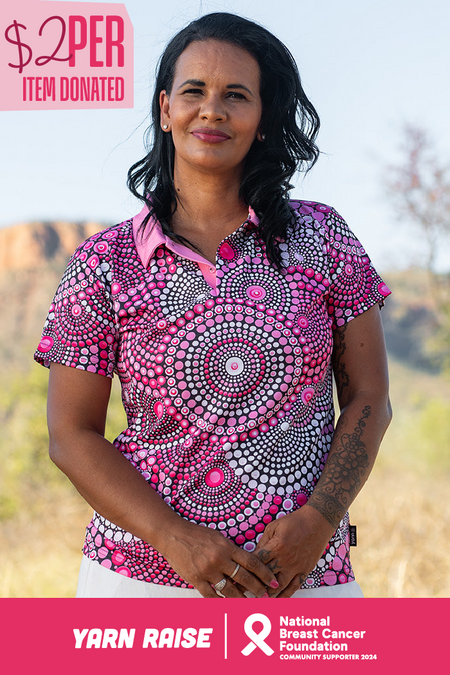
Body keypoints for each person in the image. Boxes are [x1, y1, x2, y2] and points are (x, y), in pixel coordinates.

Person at [34, 12, 392, 599]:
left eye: (236, 95)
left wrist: (322, 519)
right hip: (140, 579)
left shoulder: (323, 238)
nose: (212, 110)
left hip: (301, 576)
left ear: (263, 119)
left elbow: (370, 396)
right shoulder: (104, 262)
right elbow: (71, 434)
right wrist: (176, 538)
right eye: (194, 91)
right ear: (165, 109)